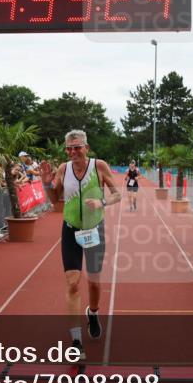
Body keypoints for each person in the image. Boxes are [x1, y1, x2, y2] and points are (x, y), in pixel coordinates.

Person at [40, 130, 121, 360]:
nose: (73, 152)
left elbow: (117, 195)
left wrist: (101, 201)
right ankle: (76, 341)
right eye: (69, 148)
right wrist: (46, 184)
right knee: (73, 283)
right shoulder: (63, 169)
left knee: (93, 282)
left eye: (77, 147)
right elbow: (55, 200)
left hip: (94, 230)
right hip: (70, 230)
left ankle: (93, 313)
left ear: (87, 147)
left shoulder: (99, 166)